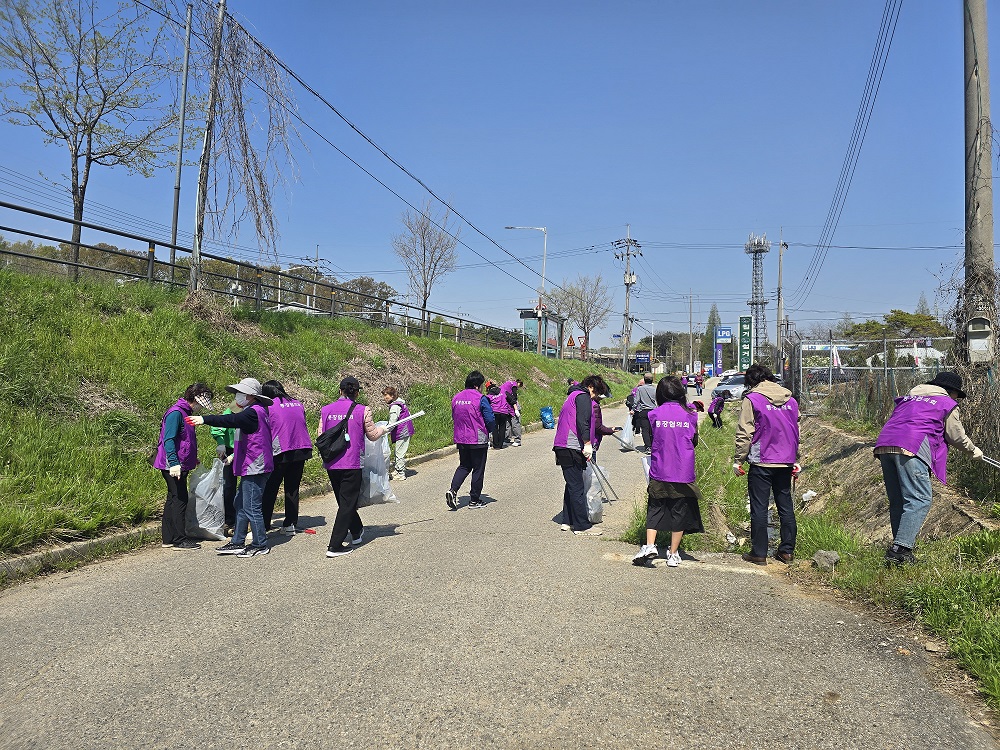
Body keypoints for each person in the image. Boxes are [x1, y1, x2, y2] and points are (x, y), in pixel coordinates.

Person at [874, 371, 984, 566]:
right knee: (920, 498)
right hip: (911, 447)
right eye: (957, 395)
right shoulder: (947, 403)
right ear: (951, 392)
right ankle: (900, 549)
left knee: (899, 499)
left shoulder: (909, 398)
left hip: (884, 445)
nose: (956, 399)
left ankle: (899, 548)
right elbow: (955, 435)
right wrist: (973, 450)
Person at [188, 378, 275, 558]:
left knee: (251, 506)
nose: (237, 396)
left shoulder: (253, 412)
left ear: (250, 395)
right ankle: (237, 541)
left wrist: (204, 419)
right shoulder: (254, 410)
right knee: (240, 504)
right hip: (251, 465)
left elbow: (230, 419)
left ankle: (260, 544)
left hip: (256, 466)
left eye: (240, 392)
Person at [633, 376, 705, 567]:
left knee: (655, 507)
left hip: (660, 469)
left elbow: (654, 438)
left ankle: (649, 545)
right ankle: (673, 554)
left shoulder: (654, 414)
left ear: (661, 394)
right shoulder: (690, 414)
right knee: (679, 511)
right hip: (683, 471)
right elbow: (694, 441)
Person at [733, 364, 800, 565]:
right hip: (786, 460)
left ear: (751, 381)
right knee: (785, 505)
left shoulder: (752, 399)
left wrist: (738, 460)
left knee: (759, 507)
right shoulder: (791, 400)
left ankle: (759, 553)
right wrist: (796, 458)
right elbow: (795, 431)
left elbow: (745, 432)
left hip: (762, 461)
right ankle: (786, 551)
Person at [319, 377, 388, 558]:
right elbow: (373, 435)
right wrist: (384, 429)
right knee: (348, 503)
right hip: (352, 462)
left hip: (331, 462)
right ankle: (334, 545)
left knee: (344, 502)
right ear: (357, 392)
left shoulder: (325, 410)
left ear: (340, 390)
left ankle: (356, 531)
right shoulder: (363, 410)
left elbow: (320, 435)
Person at [152, 383, 214, 550]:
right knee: (180, 499)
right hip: (172, 465)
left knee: (173, 499)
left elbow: (185, 441)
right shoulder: (176, 413)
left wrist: (192, 458)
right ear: (194, 399)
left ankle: (168, 538)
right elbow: (169, 440)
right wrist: (174, 463)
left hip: (180, 463)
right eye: (201, 403)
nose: (202, 408)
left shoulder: (186, 412)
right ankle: (180, 540)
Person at [553, 375, 605, 536]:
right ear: (590, 386)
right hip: (571, 446)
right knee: (577, 487)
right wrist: (588, 443)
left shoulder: (573, 395)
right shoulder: (582, 396)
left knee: (572, 484)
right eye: (596, 392)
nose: (595, 397)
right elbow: (583, 421)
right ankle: (582, 526)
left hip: (565, 445)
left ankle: (567, 520)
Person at [261, 380, 313, 533]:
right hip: (302, 448)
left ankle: (264, 525)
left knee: (270, 488)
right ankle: (290, 524)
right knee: (292, 488)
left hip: (281, 450)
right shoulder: (298, 403)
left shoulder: (268, 406)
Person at [446, 371, 495, 509]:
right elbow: (490, 419)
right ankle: (474, 500)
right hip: (477, 439)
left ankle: (452, 490)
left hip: (461, 438)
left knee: (464, 465)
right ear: (476, 385)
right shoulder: (480, 398)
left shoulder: (456, 398)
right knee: (478, 469)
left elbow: (454, 416)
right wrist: (490, 431)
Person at [209, 399, 240, 535]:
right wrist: (221, 444)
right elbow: (217, 428)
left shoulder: (247, 416)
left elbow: (243, 441)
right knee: (228, 486)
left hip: (245, 450)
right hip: (228, 450)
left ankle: (244, 518)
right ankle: (230, 519)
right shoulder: (227, 413)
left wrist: (235, 455)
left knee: (246, 485)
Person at [383, 386, 414, 480]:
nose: (385, 399)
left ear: (392, 396)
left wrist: (384, 431)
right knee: (399, 450)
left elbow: (392, 423)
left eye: (386, 396)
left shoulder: (395, 407)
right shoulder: (401, 403)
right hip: (406, 429)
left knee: (399, 452)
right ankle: (398, 469)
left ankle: (401, 473)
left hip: (402, 431)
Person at [628, 373, 657, 451]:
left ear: (644, 380)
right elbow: (658, 401)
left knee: (645, 429)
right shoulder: (655, 389)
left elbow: (636, 401)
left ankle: (648, 446)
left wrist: (633, 410)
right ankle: (653, 445)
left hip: (643, 411)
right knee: (653, 429)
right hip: (654, 412)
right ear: (652, 380)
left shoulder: (640, 389)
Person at [487, 378, 513, 449]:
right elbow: (511, 399)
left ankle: (496, 445)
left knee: (495, 428)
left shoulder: (488, 396)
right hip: (504, 412)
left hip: (494, 413)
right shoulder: (503, 391)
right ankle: (500, 445)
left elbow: (486, 405)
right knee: (502, 428)